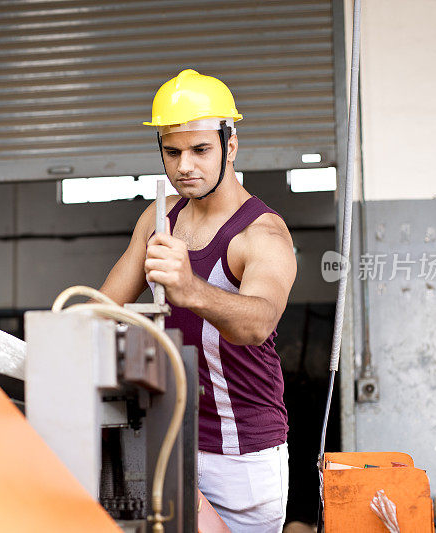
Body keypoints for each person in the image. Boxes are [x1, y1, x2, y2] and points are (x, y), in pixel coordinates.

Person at [99, 69, 297, 532]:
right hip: (168, 441)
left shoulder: (262, 233)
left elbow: (258, 322)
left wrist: (192, 290)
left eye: (200, 149)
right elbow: (99, 309)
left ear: (230, 145)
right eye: (172, 151)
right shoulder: (159, 216)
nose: (184, 165)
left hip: (241, 458)